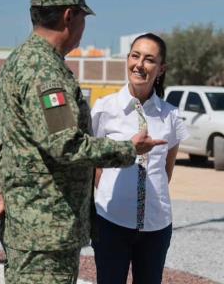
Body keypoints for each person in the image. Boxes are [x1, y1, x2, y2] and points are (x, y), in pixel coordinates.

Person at [0, 0, 166, 284]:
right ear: (69, 16)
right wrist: (129, 149)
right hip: (47, 230)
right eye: (82, 18)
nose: (82, 27)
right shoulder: (46, 71)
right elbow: (65, 145)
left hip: (26, 223)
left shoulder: (17, 61)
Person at [90, 33, 188, 284]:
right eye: (135, 56)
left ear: (161, 68)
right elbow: (93, 162)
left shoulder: (171, 116)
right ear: (127, 59)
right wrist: (111, 191)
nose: (139, 65)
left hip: (156, 226)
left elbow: (167, 169)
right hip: (111, 221)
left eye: (149, 59)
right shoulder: (104, 108)